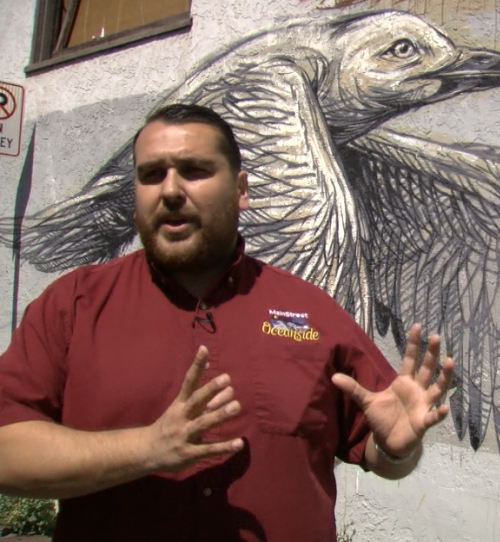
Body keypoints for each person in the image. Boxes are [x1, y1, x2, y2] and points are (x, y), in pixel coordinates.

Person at [0, 103, 455, 542]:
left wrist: (399, 449)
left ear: (241, 190)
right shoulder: (74, 306)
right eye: (151, 174)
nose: (171, 190)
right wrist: (146, 448)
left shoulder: (312, 313)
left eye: (195, 170)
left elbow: (380, 453)